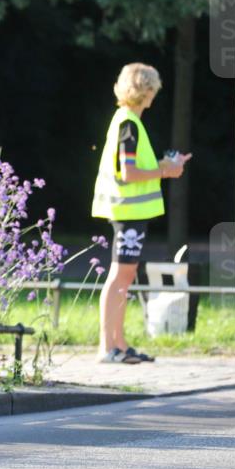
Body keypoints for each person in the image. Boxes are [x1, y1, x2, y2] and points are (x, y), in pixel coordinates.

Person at [92, 63, 191, 364]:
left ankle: (118, 344)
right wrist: (166, 169)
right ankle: (108, 347)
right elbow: (130, 172)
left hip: (129, 211)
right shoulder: (129, 124)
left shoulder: (126, 121)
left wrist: (164, 164)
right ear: (147, 91)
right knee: (120, 276)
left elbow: (130, 168)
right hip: (128, 211)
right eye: (153, 90)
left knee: (124, 275)